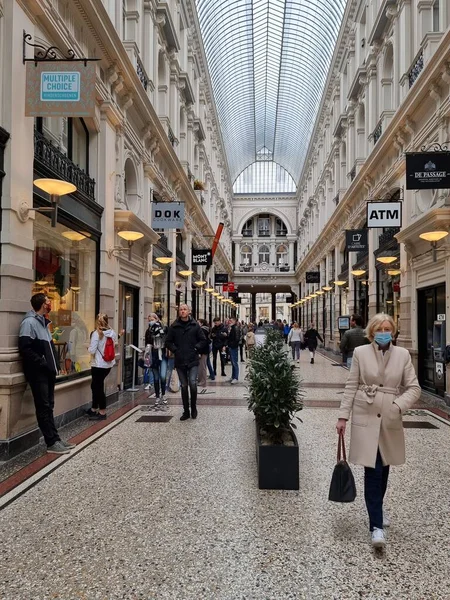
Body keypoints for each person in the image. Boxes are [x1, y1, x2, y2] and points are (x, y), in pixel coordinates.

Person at [335, 313, 421, 549]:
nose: (384, 331)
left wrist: (397, 406)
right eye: (380, 328)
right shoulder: (361, 353)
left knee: (384, 470)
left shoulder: (402, 355)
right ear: (372, 332)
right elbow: (351, 385)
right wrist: (343, 416)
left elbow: (414, 388)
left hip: (390, 419)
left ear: (392, 332)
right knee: (372, 471)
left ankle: (377, 510)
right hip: (366, 415)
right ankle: (376, 527)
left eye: (388, 328)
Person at [18, 293, 75, 454]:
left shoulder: (43, 323)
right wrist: (42, 363)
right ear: (43, 304)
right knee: (43, 406)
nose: (50, 303)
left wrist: (53, 366)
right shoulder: (29, 323)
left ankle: (56, 439)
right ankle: (51, 442)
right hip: (38, 373)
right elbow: (25, 348)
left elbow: (48, 347)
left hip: (47, 372)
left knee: (48, 406)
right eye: (48, 301)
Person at [165, 304, 207, 420]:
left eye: (184, 309)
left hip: (193, 359)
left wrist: (196, 348)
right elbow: (168, 342)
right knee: (184, 386)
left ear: (189, 311)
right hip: (180, 360)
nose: (182, 311)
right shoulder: (174, 326)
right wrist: (175, 350)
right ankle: (186, 411)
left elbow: (203, 340)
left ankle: (193, 408)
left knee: (193, 383)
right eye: (181, 310)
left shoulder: (195, 326)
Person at [87, 313, 118, 420]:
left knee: (97, 387)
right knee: (95, 385)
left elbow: (92, 350)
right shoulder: (112, 333)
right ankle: (94, 408)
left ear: (97, 321)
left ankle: (102, 412)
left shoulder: (96, 334)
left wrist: (87, 347)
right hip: (108, 364)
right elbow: (115, 344)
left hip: (98, 364)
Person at [145, 313, 168, 404]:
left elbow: (167, 340)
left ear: (157, 319)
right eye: (149, 320)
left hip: (162, 355)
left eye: (152, 320)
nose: (151, 322)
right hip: (153, 355)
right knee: (156, 377)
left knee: (163, 376)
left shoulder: (164, 329)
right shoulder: (148, 331)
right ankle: (157, 396)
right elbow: (147, 343)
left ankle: (164, 394)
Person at [197, 319, 211, 392]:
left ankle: (203, 382)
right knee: (202, 366)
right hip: (205, 351)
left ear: (201, 323)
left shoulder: (202, 331)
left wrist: (199, 352)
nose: (197, 323)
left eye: (198, 322)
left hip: (203, 351)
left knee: (202, 366)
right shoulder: (206, 330)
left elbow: (203, 342)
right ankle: (201, 381)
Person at [227, 317, 240, 384]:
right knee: (233, 362)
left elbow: (237, 339)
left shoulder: (235, 328)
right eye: (229, 321)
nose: (229, 322)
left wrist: (231, 345)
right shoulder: (232, 328)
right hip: (231, 347)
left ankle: (236, 378)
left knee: (234, 362)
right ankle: (233, 376)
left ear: (234, 321)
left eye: (231, 321)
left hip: (233, 347)